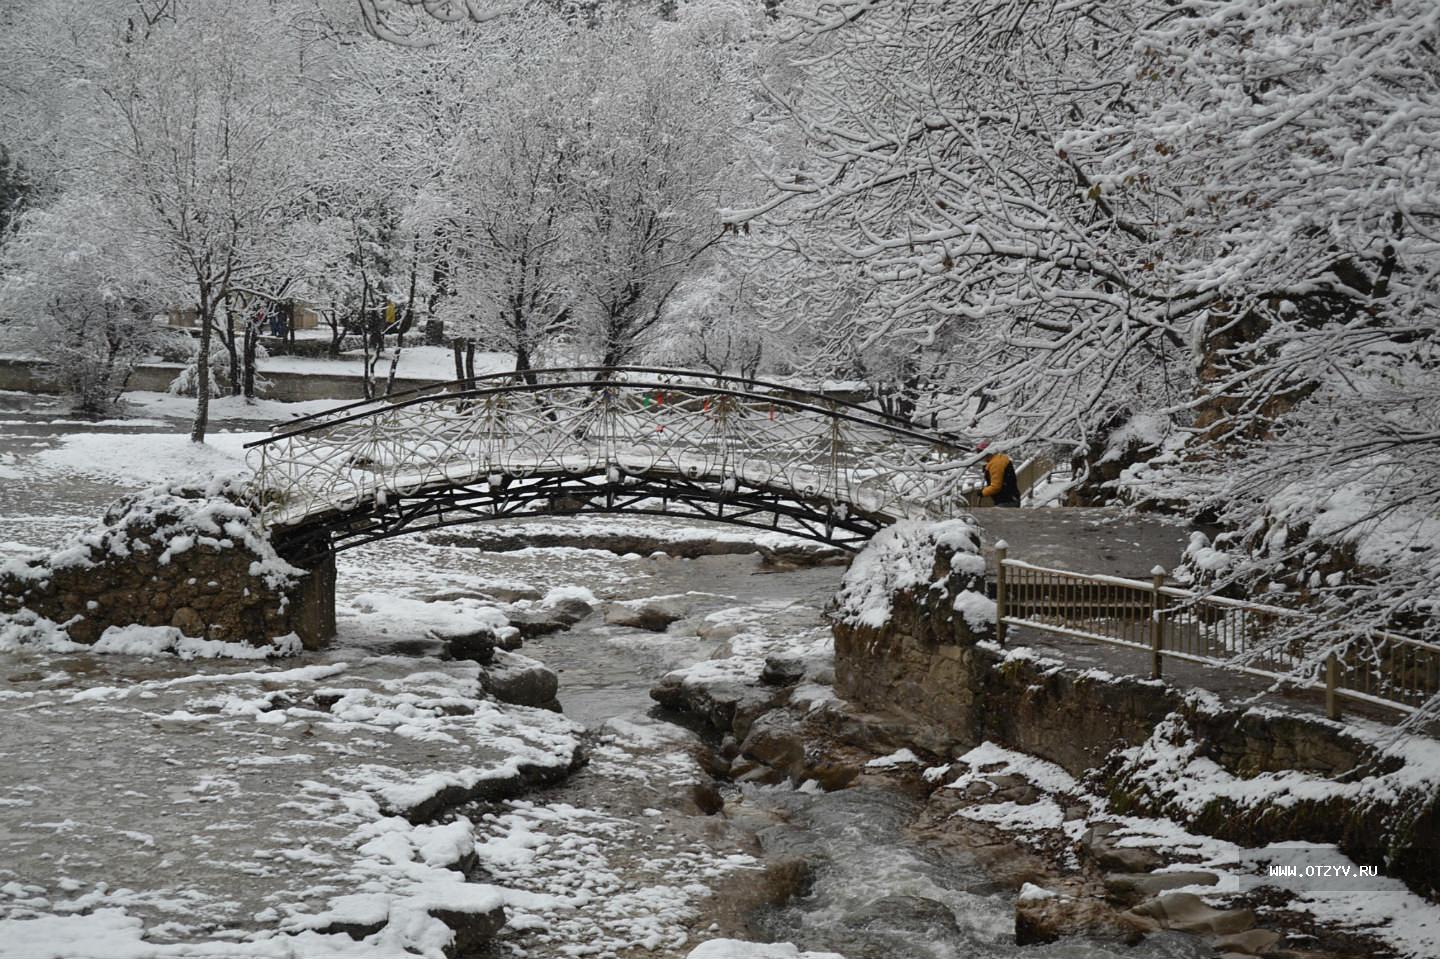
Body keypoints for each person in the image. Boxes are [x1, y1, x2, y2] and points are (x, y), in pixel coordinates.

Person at [977, 441, 1021, 507]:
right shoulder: (998, 460)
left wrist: (983, 492)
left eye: (980, 453)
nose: (980, 457)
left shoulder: (996, 464)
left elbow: (996, 486)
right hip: (1010, 498)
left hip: (1006, 500)